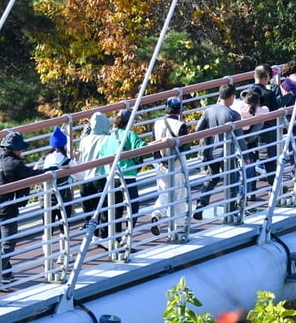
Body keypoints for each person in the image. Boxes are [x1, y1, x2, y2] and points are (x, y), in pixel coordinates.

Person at [0, 130, 47, 287]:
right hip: (8, 206)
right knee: (8, 242)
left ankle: (6, 274)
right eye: (20, 148)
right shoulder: (16, 163)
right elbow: (31, 175)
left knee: (1, 241)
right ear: (14, 149)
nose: (22, 151)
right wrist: (50, 171)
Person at [193, 83, 242, 218]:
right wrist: (245, 154)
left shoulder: (209, 111)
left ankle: (201, 202)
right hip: (227, 153)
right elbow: (239, 137)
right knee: (231, 181)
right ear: (232, 97)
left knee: (211, 178)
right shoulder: (233, 114)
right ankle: (231, 212)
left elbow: (198, 130)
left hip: (210, 152)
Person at [102, 111, 148, 241]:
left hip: (111, 177)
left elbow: (102, 154)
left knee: (116, 210)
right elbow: (142, 147)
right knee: (132, 208)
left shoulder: (109, 136)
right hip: (127, 176)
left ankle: (115, 239)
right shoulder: (130, 134)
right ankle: (126, 239)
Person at [149, 98, 189, 236]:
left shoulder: (157, 123)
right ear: (179, 110)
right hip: (177, 165)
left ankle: (157, 215)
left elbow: (154, 145)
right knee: (179, 194)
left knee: (164, 193)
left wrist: (161, 161)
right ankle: (179, 226)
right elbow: (184, 147)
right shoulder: (181, 125)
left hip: (161, 165)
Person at [75, 112, 114, 239]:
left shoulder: (84, 140)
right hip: (100, 177)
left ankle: (91, 234)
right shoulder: (107, 138)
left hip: (85, 178)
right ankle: (104, 236)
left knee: (89, 210)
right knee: (103, 208)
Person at [35, 126, 74, 227]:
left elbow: (35, 172)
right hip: (63, 197)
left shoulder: (43, 159)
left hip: (45, 198)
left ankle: (47, 242)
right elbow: (80, 176)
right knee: (64, 227)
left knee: (47, 228)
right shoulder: (68, 162)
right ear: (64, 144)